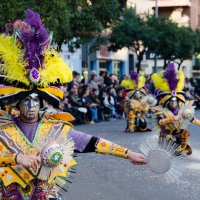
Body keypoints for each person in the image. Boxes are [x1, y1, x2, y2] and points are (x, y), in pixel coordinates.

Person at [0, 9, 147, 200]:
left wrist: (128, 153)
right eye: (25, 101)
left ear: (43, 101)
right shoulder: (5, 129)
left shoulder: (54, 129)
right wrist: (16, 158)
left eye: (35, 101)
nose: (30, 106)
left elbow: (92, 143)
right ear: (16, 103)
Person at [151, 63, 200, 155]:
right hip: (167, 134)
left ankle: (182, 146)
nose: (173, 103)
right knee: (169, 141)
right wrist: (173, 118)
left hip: (178, 132)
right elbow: (160, 122)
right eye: (171, 101)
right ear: (167, 102)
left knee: (184, 134)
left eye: (175, 101)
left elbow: (192, 118)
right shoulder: (162, 110)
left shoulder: (182, 109)